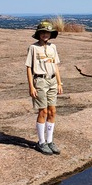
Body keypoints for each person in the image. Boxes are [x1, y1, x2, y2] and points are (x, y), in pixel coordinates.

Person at [25, 21, 63, 155]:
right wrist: (31, 87)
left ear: (50, 34)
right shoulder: (33, 48)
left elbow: (56, 65)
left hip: (52, 81)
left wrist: (59, 83)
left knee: (52, 111)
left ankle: (50, 141)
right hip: (40, 81)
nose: (45, 34)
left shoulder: (53, 47)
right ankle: (41, 142)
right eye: (42, 32)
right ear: (39, 34)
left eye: (47, 32)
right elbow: (29, 68)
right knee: (43, 112)